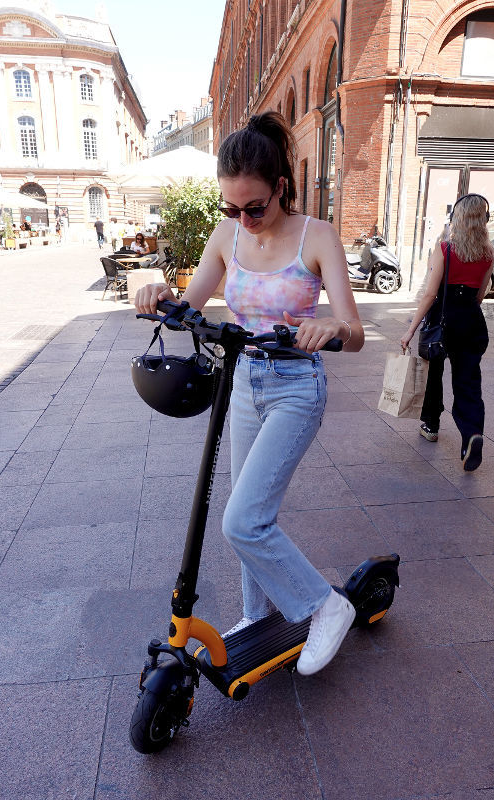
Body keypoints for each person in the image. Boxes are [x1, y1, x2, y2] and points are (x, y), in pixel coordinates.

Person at [136, 111, 364, 676]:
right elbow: (189, 307)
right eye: (231, 209)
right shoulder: (227, 236)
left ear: (281, 186)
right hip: (242, 385)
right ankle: (256, 615)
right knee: (251, 512)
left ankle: (325, 606)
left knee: (241, 520)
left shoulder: (317, 236)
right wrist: (159, 293)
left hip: (296, 387)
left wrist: (332, 326)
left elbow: (355, 332)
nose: (244, 219)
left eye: (254, 207)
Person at [400, 194, 494, 472]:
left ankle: (431, 425)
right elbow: (479, 296)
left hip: (443, 321)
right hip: (472, 321)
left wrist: (410, 330)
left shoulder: (445, 249)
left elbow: (430, 294)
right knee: (468, 382)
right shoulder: (489, 253)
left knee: (433, 374)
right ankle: (472, 433)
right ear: (484, 220)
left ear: (456, 219)